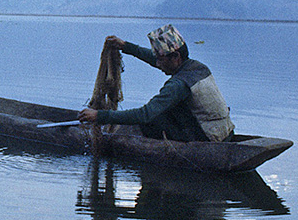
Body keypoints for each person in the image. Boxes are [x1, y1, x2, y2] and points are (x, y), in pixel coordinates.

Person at [78, 24, 235, 142]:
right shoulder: (197, 67)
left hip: (207, 139)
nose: (158, 64)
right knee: (161, 112)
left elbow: (144, 114)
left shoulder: (178, 85)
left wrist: (100, 115)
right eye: (157, 59)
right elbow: (155, 59)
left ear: (175, 57)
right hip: (225, 133)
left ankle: (162, 148)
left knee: (152, 118)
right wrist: (126, 47)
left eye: (161, 60)